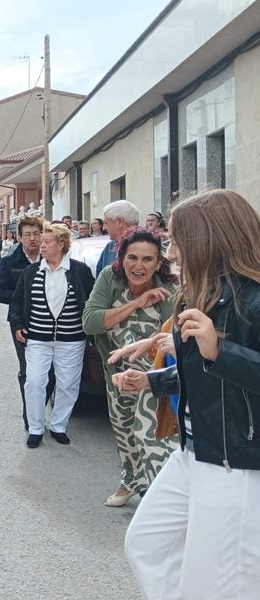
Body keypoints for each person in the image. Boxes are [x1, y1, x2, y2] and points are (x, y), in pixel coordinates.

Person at [114, 190, 260, 599]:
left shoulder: (254, 299)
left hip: (236, 463)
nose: (170, 252)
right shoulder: (203, 294)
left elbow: (223, 363)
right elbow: (202, 374)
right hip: (194, 451)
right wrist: (152, 382)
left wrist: (220, 351)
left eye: (176, 241)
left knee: (219, 582)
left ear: (207, 241)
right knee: (147, 544)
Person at [82, 228, 179, 506]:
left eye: (148, 260)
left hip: (155, 378)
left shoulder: (170, 289)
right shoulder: (109, 280)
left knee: (152, 436)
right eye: (132, 258)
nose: (139, 266)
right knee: (125, 432)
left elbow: (172, 337)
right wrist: (137, 303)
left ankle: (157, 494)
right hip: (118, 375)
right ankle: (130, 482)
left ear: (158, 263)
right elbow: (90, 321)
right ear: (121, 259)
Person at [10, 223, 95, 448]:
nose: (42, 244)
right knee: (35, 381)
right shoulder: (31, 272)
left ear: (62, 245)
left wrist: (90, 329)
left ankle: (59, 425)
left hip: (72, 339)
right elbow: (17, 301)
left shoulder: (79, 271)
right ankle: (36, 428)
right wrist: (18, 324)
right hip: (37, 338)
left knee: (68, 384)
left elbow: (92, 302)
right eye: (42, 241)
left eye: (48, 241)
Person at [0, 216, 53, 430]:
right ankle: (30, 416)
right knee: (28, 370)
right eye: (27, 234)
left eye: (37, 234)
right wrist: (25, 296)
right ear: (19, 237)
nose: (32, 239)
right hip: (21, 322)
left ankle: (38, 407)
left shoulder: (51, 258)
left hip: (51, 322)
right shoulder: (10, 261)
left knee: (50, 372)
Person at [96, 200, 140, 274]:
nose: (104, 228)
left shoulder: (149, 247)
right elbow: (100, 283)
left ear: (119, 221)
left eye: (106, 223)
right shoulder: (110, 247)